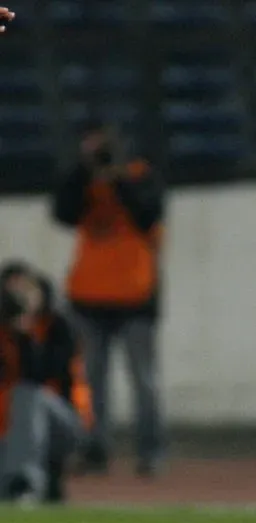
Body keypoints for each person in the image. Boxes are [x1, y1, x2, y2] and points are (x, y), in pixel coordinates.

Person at [51, 120, 166, 477]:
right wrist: (84, 172)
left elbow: (148, 214)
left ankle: (150, 451)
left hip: (135, 295)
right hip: (88, 295)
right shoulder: (82, 179)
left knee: (143, 380)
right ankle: (94, 448)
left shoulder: (140, 175)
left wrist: (117, 177)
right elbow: (63, 213)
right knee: (90, 381)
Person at [0, 261, 92, 503]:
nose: (19, 299)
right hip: (10, 429)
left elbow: (41, 375)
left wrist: (25, 335)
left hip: (64, 422)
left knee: (27, 395)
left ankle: (26, 481)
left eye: (25, 291)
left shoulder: (59, 327)